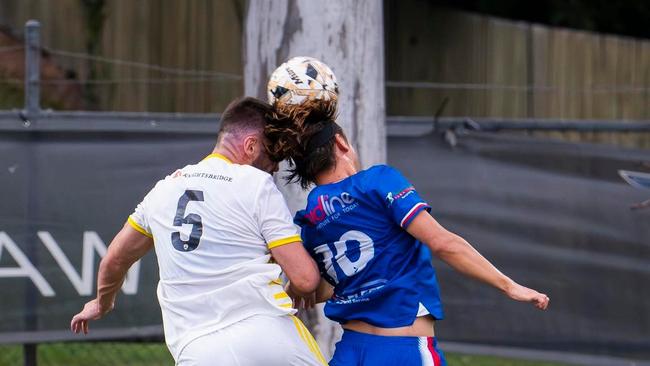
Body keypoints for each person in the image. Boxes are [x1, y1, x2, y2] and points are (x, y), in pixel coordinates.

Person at [265, 97, 550, 366]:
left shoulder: (309, 220)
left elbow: (320, 286)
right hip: (402, 350)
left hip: (350, 352)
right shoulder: (376, 181)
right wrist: (510, 286)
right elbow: (443, 243)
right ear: (341, 143)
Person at [70, 97, 328, 366]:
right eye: (270, 160)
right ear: (250, 146)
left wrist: (103, 302)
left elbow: (115, 259)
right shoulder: (256, 183)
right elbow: (305, 279)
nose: (272, 169)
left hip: (199, 351)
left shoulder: (163, 190)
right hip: (268, 337)